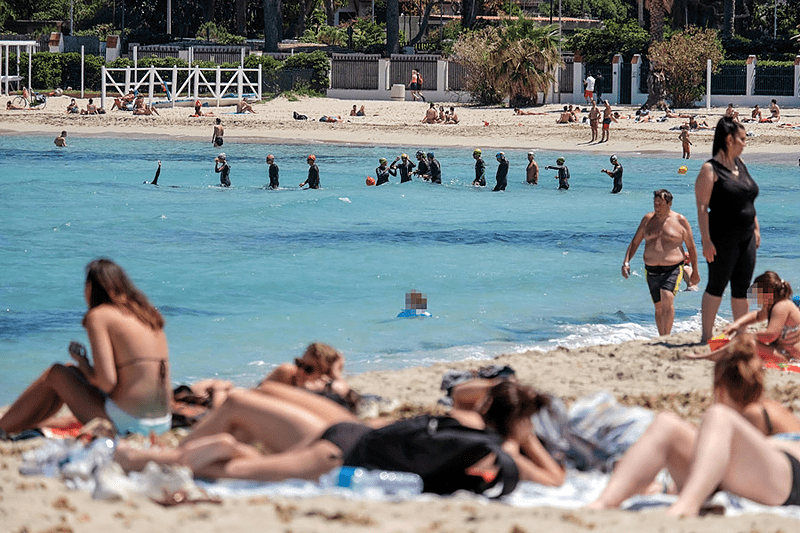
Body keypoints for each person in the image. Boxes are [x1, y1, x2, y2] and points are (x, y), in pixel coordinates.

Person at [115, 380, 565, 494]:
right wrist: (523, 438)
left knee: (242, 427)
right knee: (239, 471)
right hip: (337, 452)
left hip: (346, 436)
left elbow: (464, 391)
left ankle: (181, 452)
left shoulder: (466, 419)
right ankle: (149, 461)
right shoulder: (492, 447)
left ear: (489, 404)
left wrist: (509, 403)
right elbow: (555, 481)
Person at [588, 334, 800, 516]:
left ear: (720, 389)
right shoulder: (759, 413)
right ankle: (603, 503)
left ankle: (686, 506)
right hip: (766, 473)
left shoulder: (751, 414)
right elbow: (713, 463)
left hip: (790, 473)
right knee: (666, 422)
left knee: (718, 415)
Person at [0, 258, 172, 437]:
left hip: (129, 424)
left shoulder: (99, 315)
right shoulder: (148, 315)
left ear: (90, 287)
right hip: (162, 424)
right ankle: (13, 425)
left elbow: (107, 383)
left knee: (57, 373)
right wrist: (83, 364)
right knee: (69, 371)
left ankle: (3, 426)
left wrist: (86, 368)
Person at [695, 117, 760, 343]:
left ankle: (742, 336)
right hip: (721, 237)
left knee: (742, 288)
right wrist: (705, 241)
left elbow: (748, 199)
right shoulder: (710, 169)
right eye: (742, 139)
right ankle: (706, 336)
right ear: (729, 139)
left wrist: (756, 228)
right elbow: (702, 207)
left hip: (747, 237)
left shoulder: (740, 164)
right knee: (716, 285)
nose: (745, 143)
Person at [622, 189, 701, 335]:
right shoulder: (647, 220)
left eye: (660, 204)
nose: (657, 207)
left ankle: (668, 336)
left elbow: (691, 247)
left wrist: (695, 271)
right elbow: (635, 242)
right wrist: (626, 262)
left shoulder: (680, 220)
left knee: (667, 298)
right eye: (655, 204)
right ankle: (662, 336)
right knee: (658, 306)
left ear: (669, 204)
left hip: (673, 268)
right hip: (651, 269)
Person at [720, 271, 800, 363]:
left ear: (766, 294)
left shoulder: (781, 307)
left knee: (748, 344)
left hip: (789, 356)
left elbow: (770, 335)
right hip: (784, 351)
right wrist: (736, 324)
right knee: (743, 343)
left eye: (757, 293)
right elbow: (757, 316)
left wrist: (747, 337)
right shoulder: (774, 304)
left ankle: (712, 356)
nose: (756, 298)